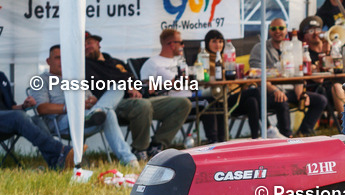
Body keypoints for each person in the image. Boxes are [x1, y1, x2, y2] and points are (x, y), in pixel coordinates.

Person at [84, 31, 190, 161]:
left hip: (139, 98)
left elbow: (135, 81)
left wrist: (141, 89)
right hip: (114, 103)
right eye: (83, 45)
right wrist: (128, 87)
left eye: (89, 43)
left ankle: (157, 146)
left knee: (183, 103)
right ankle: (140, 149)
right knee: (142, 105)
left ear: (98, 43)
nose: (86, 47)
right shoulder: (85, 66)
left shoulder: (115, 61)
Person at [30, 45, 139, 170]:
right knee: (107, 113)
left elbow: (92, 99)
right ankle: (129, 159)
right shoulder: (41, 80)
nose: (62, 61)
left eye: (64, 58)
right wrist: (73, 108)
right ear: (48, 61)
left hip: (86, 118)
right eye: (58, 58)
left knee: (117, 89)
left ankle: (129, 160)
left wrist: (93, 102)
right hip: (62, 121)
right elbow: (42, 109)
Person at [248, 18, 327, 137]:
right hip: (269, 92)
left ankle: (302, 133)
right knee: (281, 101)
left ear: (286, 30)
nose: (277, 31)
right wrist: (274, 90)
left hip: (290, 90)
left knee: (321, 100)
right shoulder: (259, 48)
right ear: (269, 31)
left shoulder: (294, 47)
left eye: (281, 28)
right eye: (274, 28)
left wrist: (301, 94)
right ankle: (286, 136)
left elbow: (298, 73)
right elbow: (256, 74)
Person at [0, 70, 73, 170]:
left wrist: (24, 105)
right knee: (17, 116)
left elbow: (10, 108)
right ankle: (58, 150)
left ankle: (56, 162)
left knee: (37, 121)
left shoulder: (1, 77)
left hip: (6, 121)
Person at [201, 29, 260, 141]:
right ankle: (268, 128)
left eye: (220, 41)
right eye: (214, 41)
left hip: (234, 97)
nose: (218, 45)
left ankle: (255, 139)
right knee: (256, 92)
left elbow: (235, 78)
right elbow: (206, 79)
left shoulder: (228, 57)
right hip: (220, 98)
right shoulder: (203, 59)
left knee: (252, 100)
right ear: (207, 44)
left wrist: (246, 79)